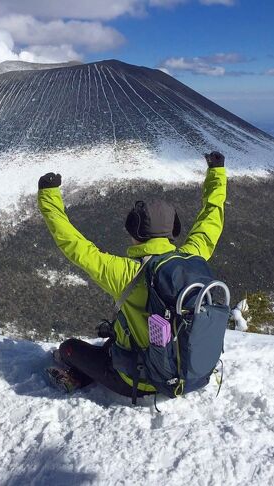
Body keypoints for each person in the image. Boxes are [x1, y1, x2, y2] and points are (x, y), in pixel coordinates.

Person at [37, 151, 227, 396]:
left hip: (136, 380)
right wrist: (217, 173)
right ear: (173, 230)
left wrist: (49, 195)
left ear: (134, 229)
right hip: (185, 373)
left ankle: (75, 380)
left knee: (68, 349)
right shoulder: (192, 256)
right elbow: (211, 220)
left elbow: (73, 245)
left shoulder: (126, 273)